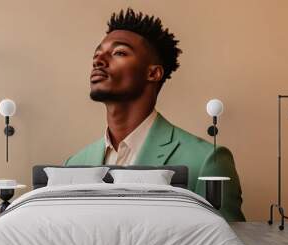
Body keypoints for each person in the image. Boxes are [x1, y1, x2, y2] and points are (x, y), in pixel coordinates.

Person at [65, 8, 245, 221]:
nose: (99, 61)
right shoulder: (74, 163)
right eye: (97, 54)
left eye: (119, 52)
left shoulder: (207, 160)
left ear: (153, 73)